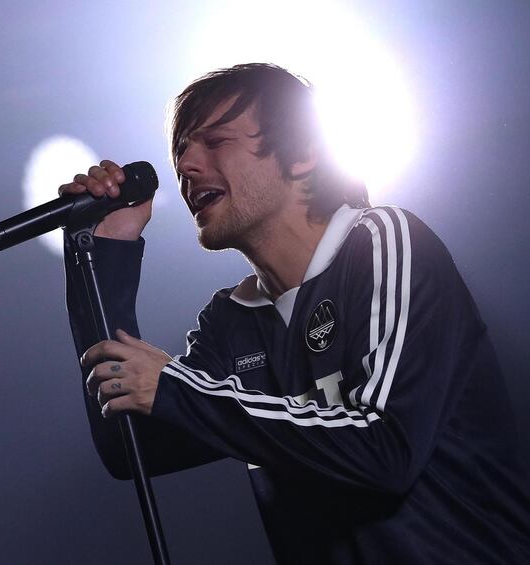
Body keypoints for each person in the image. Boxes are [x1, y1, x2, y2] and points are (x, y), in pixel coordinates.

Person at [61, 63, 530, 563]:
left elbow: (387, 453)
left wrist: (179, 389)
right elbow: (130, 448)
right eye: (180, 152)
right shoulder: (231, 321)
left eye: (215, 142)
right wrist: (101, 254)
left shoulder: (382, 241)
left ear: (303, 154)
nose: (186, 167)